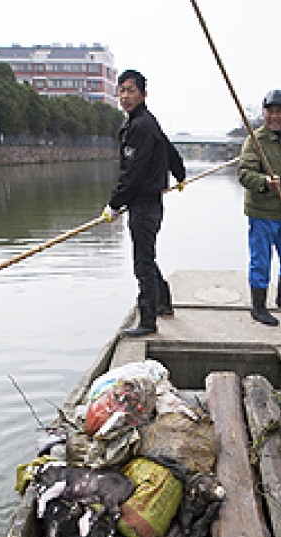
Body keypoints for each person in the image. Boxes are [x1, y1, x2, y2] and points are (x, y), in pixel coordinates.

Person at [104, 69, 186, 337]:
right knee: (147, 256)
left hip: (145, 205)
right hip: (148, 203)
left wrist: (114, 204)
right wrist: (180, 173)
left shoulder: (140, 126)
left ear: (143, 94)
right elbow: (169, 149)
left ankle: (148, 321)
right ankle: (164, 304)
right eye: (122, 91)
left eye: (131, 90)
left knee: (142, 263)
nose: (125, 96)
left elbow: (133, 173)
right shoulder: (146, 121)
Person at [237, 89, 281, 327]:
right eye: (270, 111)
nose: (274, 116)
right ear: (264, 113)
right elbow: (244, 174)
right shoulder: (254, 141)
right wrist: (264, 182)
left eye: (279, 111)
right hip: (262, 213)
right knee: (261, 261)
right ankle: (258, 307)